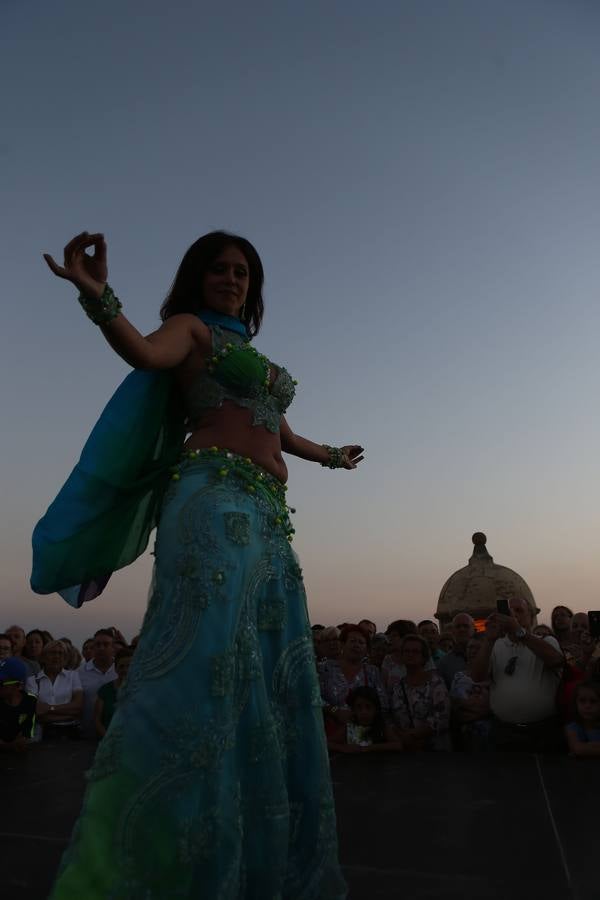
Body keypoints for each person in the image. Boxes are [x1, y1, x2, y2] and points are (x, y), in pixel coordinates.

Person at [33, 229, 357, 898]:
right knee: (203, 662)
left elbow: (279, 431)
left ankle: (242, 849)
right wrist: (98, 298)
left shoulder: (254, 357)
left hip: (270, 517)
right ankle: (148, 852)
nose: (232, 278)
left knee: (260, 668)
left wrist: (330, 456)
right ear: (197, 277)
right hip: (211, 502)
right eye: (219, 268)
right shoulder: (189, 332)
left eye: (242, 271)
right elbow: (145, 353)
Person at [471, 598, 564, 752]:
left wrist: (519, 632)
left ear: (531, 617)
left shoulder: (547, 641)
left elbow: (556, 661)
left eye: (519, 611)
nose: (513, 615)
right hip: (505, 731)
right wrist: (488, 640)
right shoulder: (495, 645)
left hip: (543, 731)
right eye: (509, 611)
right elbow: (477, 677)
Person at [319, 625, 387, 737]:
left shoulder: (372, 671)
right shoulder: (324, 669)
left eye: (361, 642)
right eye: (352, 641)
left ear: (366, 649)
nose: (356, 645)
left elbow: (383, 702)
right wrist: (335, 712)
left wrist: (363, 715)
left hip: (363, 735)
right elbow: (314, 698)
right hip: (329, 733)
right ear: (342, 644)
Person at [389, 635, 451, 751]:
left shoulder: (436, 683)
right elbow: (392, 717)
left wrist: (413, 734)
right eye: (406, 651)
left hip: (433, 749)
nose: (410, 654)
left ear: (424, 657)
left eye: (415, 651)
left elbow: (442, 717)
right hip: (406, 748)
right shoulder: (396, 687)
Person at [326, 686, 404, 754]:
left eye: (368, 707)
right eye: (359, 707)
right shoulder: (350, 728)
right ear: (353, 710)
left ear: (376, 709)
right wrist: (343, 748)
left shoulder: (382, 727)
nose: (364, 712)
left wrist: (367, 748)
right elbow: (326, 744)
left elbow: (398, 745)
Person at [32, 640, 83, 740]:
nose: (57, 656)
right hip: (43, 733)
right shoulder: (33, 680)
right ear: (44, 657)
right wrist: (68, 713)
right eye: (52, 653)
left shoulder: (73, 676)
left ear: (65, 658)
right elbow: (36, 712)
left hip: (70, 732)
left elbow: (78, 707)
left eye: (61, 653)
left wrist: (49, 708)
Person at [449, 635, 491, 751]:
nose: (473, 651)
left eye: (478, 648)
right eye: (470, 647)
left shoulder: (495, 676)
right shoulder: (458, 677)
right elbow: (454, 705)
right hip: (464, 736)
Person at [77, 629, 117, 738]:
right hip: (87, 734)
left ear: (113, 648)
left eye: (106, 644)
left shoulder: (122, 670)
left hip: (117, 734)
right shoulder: (79, 672)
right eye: (97, 645)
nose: (101, 648)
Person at [0, 657, 38, 752]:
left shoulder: (30, 701)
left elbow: (27, 733)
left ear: (18, 685)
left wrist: (22, 739)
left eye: (1, 682)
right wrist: (10, 746)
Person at [94, 650, 133, 738]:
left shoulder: (141, 690)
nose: (125, 670)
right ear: (115, 668)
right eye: (121, 666)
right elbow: (97, 721)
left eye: (129, 666)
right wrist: (109, 740)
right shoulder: (105, 690)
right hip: (108, 741)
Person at [436, 614, 475, 689]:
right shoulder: (444, 663)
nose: (462, 629)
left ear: (474, 629)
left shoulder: (487, 655)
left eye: (465, 626)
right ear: (453, 631)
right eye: (458, 627)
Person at [565, 680, 600, 758]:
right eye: (582, 701)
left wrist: (587, 747)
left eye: (593, 701)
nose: (587, 706)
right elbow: (577, 749)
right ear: (576, 703)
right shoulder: (573, 728)